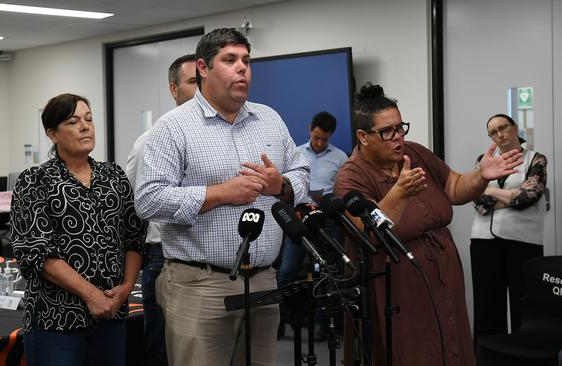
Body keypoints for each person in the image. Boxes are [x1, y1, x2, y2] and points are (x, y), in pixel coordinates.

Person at [135, 28, 309, 366]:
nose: (242, 68)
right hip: (200, 284)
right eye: (230, 60)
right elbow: (149, 200)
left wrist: (282, 186)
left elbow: (302, 172)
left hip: (262, 279)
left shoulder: (270, 119)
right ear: (203, 67)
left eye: (246, 60)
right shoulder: (172, 128)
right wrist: (218, 194)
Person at [333, 83, 522, 366]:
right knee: (412, 352)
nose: (398, 137)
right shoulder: (351, 177)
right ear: (363, 136)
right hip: (398, 288)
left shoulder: (415, 152)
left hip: (441, 275)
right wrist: (399, 193)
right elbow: (366, 230)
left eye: (400, 127)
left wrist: (481, 176)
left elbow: (455, 186)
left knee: (451, 342)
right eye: (387, 132)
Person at [10, 93, 147, 366]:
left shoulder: (114, 176)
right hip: (57, 320)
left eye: (89, 119)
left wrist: (126, 288)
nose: (85, 127)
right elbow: (37, 254)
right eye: (73, 122)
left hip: (112, 314)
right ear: (52, 134)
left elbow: (134, 238)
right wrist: (93, 296)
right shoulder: (35, 181)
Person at [125, 53, 197, 366]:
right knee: (164, 345)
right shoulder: (152, 139)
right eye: (193, 82)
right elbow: (131, 203)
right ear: (174, 89)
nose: (202, 89)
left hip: (208, 258)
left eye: (204, 81)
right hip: (163, 255)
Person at [470, 113, 547, 350]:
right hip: (484, 241)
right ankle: (489, 356)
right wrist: (509, 195)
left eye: (503, 128)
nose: (499, 134)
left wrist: (494, 194)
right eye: (493, 132)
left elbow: (529, 196)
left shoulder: (536, 159)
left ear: (514, 128)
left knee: (524, 305)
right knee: (487, 305)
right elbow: (478, 199)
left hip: (522, 242)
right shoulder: (484, 160)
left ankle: (525, 356)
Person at [276, 111, 348, 340]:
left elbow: (342, 191)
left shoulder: (340, 158)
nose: (319, 142)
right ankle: (278, 321)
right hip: (300, 217)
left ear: (330, 136)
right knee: (286, 272)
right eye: (316, 137)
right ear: (310, 130)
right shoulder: (296, 153)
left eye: (324, 139)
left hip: (327, 221)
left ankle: (320, 325)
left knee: (327, 273)